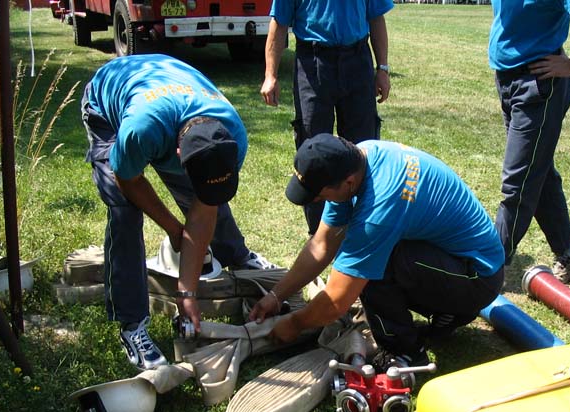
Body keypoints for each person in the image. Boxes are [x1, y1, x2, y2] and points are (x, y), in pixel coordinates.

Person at [82, 54, 277, 370]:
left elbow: (205, 208)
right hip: (108, 100)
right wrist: (174, 229)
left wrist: (186, 292)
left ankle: (237, 255)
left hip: (167, 88)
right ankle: (132, 324)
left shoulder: (233, 137)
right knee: (124, 211)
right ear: (178, 156)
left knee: (210, 192)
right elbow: (128, 180)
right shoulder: (140, 131)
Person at [249, 134, 505, 370]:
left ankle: (405, 352)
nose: (317, 201)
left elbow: (337, 302)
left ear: (348, 183)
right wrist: (276, 295)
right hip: (454, 263)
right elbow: (321, 245)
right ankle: (449, 311)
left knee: (371, 268)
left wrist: (294, 324)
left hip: (477, 277)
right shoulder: (360, 158)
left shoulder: (379, 207)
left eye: (319, 196)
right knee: (369, 257)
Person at [489, 0, 570, 283]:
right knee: (537, 170)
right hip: (508, 80)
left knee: (518, 182)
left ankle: (486, 271)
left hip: (537, 85)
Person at [260, 0, 393, 236]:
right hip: (312, 62)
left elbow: (376, 18)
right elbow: (279, 23)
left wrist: (382, 68)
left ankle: (363, 228)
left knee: (364, 147)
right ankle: (318, 234)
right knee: (313, 148)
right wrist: (270, 75)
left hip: (357, 60)